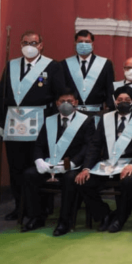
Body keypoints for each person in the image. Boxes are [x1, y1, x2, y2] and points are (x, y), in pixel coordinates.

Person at [0, 30, 65, 221]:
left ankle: (43, 206)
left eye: (33, 43)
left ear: (41, 45)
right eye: (25, 42)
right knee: (16, 167)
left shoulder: (52, 66)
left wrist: (55, 124)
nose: (29, 46)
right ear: (19, 43)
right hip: (13, 123)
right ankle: (20, 207)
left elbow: (60, 95)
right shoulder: (11, 66)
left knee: (39, 166)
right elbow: (1, 95)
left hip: (40, 123)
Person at [76, 86, 132, 233]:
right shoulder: (105, 118)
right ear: (114, 101)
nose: (123, 102)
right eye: (120, 100)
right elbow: (95, 145)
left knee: (129, 181)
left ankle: (120, 217)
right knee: (82, 181)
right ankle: (104, 214)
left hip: (131, 164)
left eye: (127, 100)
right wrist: (86, 168)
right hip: (108, 163)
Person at [21, 89, 95, 235]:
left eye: (70, 101)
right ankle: (37, 217)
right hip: (50, 164)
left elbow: (88, 147)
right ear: (56, 103)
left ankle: (64, 221)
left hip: (73, 165)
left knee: (69, 178)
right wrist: (39, 161)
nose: (66, 104)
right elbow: (39, 145)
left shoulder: (86, 121)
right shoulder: (49, 120)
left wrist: (72, 163)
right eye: (62, 101)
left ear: (76, 103)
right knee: (29, 174)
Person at [61, 30, 115, 121]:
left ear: (92, 44)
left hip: (97, 113)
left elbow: (109, 90)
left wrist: (111, 111)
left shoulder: (105, 64)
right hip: (72, 113)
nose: (83, 44)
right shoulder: (64, 64)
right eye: (80, 42)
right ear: (75, 43)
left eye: (87, 42)